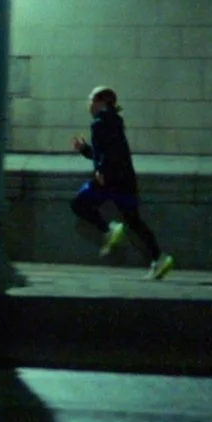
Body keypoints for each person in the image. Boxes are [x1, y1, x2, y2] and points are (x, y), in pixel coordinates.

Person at [70, 85, 174, 280]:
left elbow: (108, 154)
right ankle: (159, 258)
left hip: (108, 180)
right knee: (134, 221)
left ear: (101, 102)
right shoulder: (114, 121)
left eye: (91, 99)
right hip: (124, 181)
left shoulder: (99, 123)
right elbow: (106, 152)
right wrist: (85, 150)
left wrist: (101, 169)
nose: (88, 104)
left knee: (79, 204)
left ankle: (109, 229)